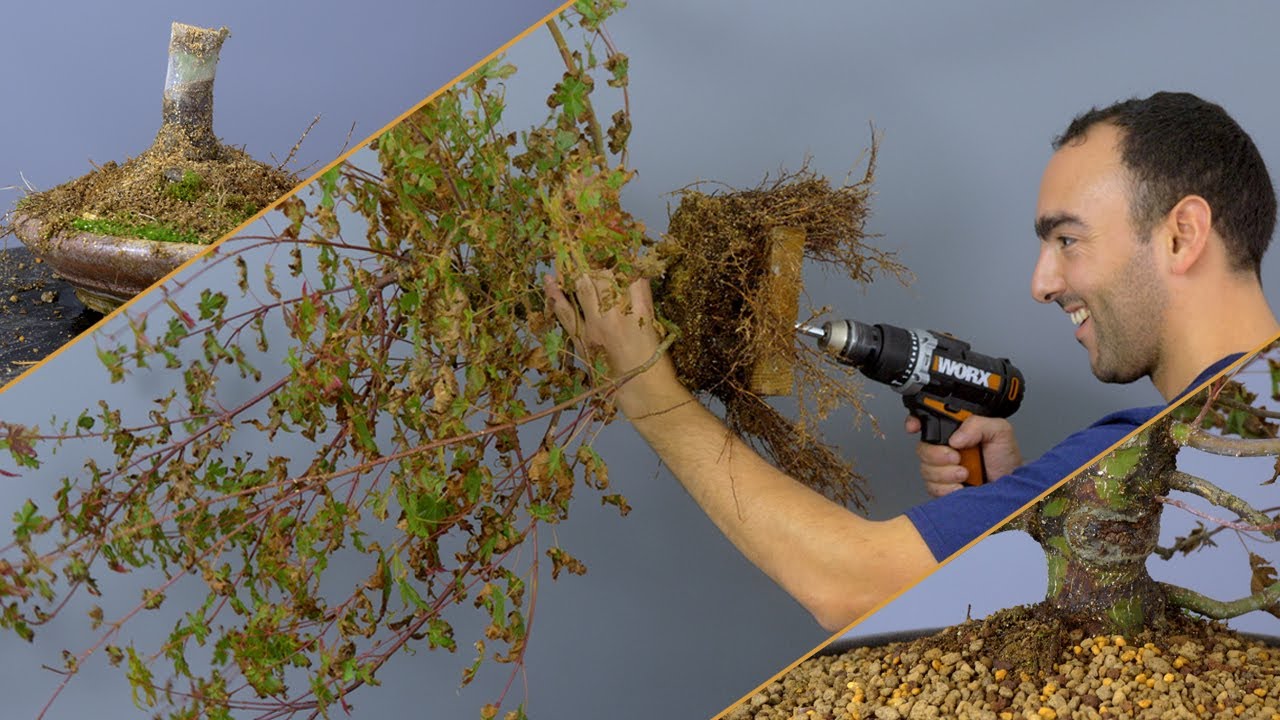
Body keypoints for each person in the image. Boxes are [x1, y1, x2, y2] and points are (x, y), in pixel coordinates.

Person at [543, 92, 1280, 631]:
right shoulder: (1183, 454)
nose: (1041, 282)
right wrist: (1027, 515)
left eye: (1068, 239)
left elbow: (855, 587)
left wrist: (647, 391)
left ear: (1182, 236)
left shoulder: (1155, 448)